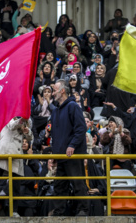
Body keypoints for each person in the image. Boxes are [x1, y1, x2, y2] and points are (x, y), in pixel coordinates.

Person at [50, 79, 89, 216]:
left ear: (62, 91)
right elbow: (55, 135)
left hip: (73, 155)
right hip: (61, 156)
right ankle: (58, 212)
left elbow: (81, 128)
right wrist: (54, 155)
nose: (53, 93)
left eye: (54, 90)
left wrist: (72, 145)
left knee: (78, 183)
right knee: (59, 186)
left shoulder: (73, 106)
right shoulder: (55, 111)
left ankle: (83, 210)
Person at [0, 117, 33, 217]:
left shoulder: (27, 119)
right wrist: (22, 120)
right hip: (4, 152)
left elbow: (30, 138)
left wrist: (28, 131)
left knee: (16, 186)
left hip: (17, 155)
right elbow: (12, 126)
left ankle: (14, 211)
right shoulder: (9, 114)